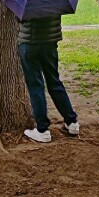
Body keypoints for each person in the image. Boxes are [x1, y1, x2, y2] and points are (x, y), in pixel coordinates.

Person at [18, 13, 79, 142]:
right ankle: (72, 122)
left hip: (30, 44)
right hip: (50, 44)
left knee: (36, 87)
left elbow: (20, 16)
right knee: (55, 82)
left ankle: (42, 130)